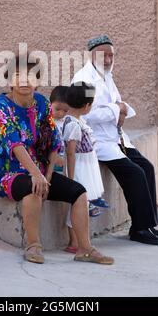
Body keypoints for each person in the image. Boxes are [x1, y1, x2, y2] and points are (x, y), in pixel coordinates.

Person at [0, 55, 114, 265]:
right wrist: (37, 176)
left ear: (37, 81)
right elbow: (15, 144)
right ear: (9, 81)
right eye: (17, 76)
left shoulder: (41, 103)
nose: (23, 81)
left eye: (29, 76)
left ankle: (84, 248)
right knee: (33, 188)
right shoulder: (1, 105)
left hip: (40, 171)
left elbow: (54, 141)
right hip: (9, 172)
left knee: (78, 192)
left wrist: (46, 175)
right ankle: (33, 245)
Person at [72, 35, 158, 245]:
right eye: (103, 55)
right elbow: (87, 114)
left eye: (110, 55)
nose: (107, 60)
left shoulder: (107, 75)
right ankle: (139, 230)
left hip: (115, 138)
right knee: (135, 173)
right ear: (91, 55)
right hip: (98, 142)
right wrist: (118, 109)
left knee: (147, 168)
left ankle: (148, 224)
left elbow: (117, 101)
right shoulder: (84, 80)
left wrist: (119, 108)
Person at [62, 82, 108, 253]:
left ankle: (79, 240)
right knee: (77, 204)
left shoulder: (79, 120)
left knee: (84, 204)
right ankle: (74, 241)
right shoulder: (73, 124)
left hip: (86, 166)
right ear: (87, 106)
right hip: (80, 169)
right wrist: (71, 178)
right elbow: (71, 152)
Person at [49, 85, 69, 173]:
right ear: (50, 104)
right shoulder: (47, 121)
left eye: (65, 111)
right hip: (50, 161)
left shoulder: (69, 121)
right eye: (57, 109)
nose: (61, 113)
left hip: (65, 161)